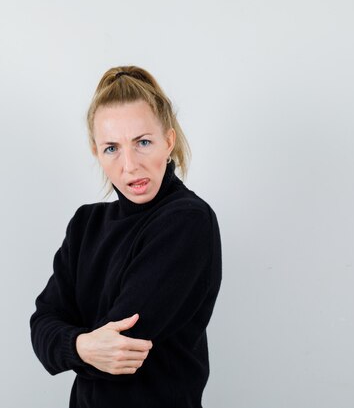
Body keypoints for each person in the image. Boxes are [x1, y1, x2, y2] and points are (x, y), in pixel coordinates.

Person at [30, 65, 222, 408]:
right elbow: (42, 323)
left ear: (169, 141)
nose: (130, 164)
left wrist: (68, 346)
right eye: (111, 148)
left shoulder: (187, 221)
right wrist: (82, 347)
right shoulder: (86, 223)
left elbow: (123, 348)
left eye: (143, 142)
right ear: (96, 153)